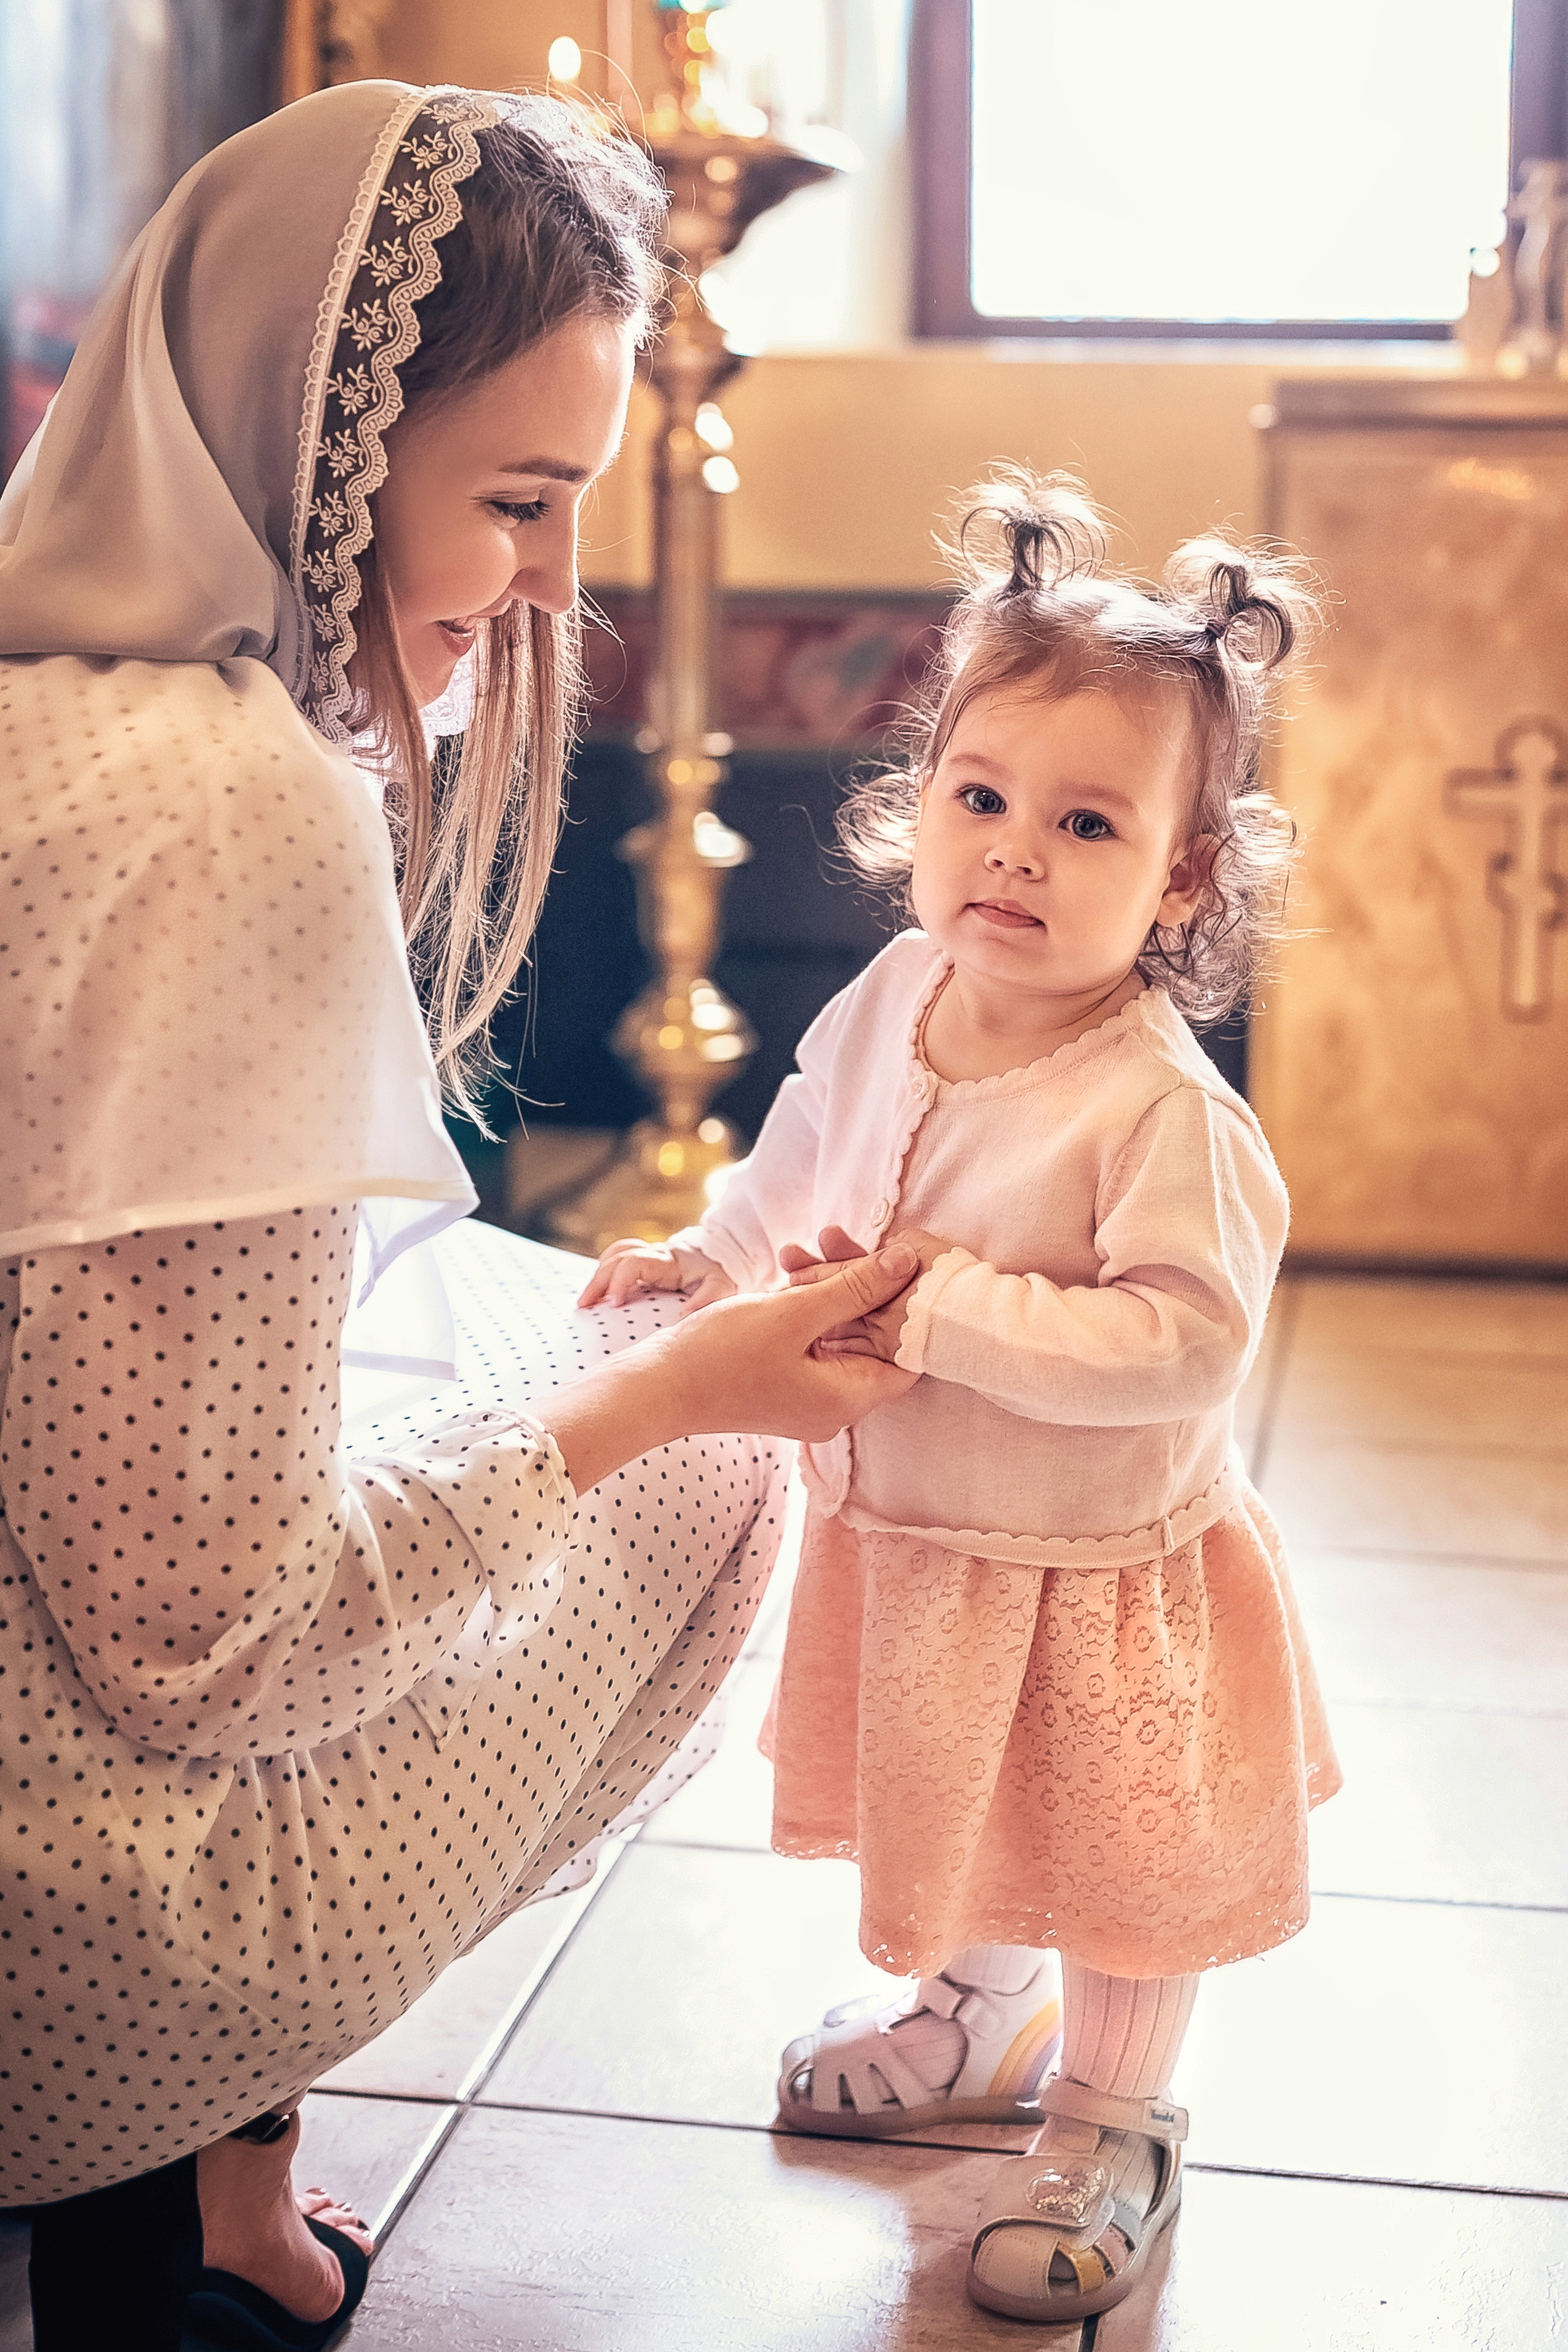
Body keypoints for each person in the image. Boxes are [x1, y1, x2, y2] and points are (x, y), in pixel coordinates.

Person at [0, 80, 922, 2352]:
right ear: (322, 451)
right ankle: (189, 2161)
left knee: (497, 1320)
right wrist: (680, 1389)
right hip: (60, 1933)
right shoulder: (237, 810)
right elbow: (214, 1658)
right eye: (514, 501)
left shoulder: (50, 709)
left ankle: (203, 2188)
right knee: (701, 1457)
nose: (535, 594)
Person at [583, 473, 1341, 2325]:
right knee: (981, 1802)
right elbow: (797, 1155)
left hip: (1094, 1560)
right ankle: (979, 2016)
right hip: (927, 1526)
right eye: (980, 797)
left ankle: (1113, 2108)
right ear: (916, 800)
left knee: (1114, 1844)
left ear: (1178, 880)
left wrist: (950, 1308)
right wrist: (720, 1254)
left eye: (1086, 823)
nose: (1012, 850)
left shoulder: (1160, 1113)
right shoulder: (900, 988)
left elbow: (1183, 1341)